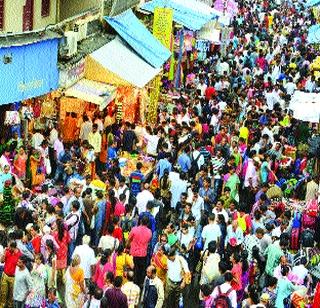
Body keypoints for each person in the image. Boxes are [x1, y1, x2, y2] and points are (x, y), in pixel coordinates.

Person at [128, 216, 152, 287]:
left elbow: (129, 240)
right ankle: (139, 285)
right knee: (141, 271)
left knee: (133, 269)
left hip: (134, 253)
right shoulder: (149, 232)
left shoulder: (134, 229)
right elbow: (148, 241)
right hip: (143, 254)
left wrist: (128, 246)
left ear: (141, 221)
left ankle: (132, 283)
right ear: (147, 223)